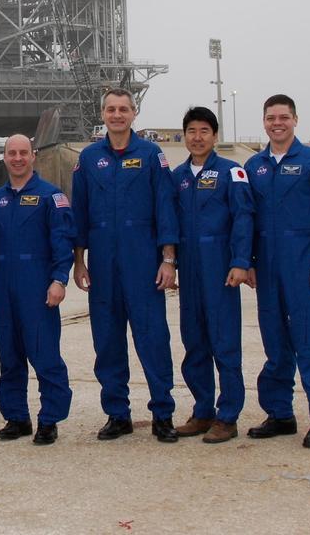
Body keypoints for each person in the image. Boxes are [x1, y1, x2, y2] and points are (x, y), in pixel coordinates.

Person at [71, 88, 181, 442]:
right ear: (102, 114)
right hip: (102, 264)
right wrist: (79, 261)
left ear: (134, 114)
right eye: (110, 109)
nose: (117, 115)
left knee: (152, 338)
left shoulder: (151, 155)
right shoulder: (88, 159)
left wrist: (168, 259)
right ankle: (117, 414)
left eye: (123, 109)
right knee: (107, 341)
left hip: (143, 262)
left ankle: (163, 412)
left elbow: (166, 208)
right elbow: (80, 215)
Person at [243, 94, 310, 449]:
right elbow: (248, 220)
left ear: (295, 120)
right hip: (268, 270)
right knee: (275, 343)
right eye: (271, 117)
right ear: (264, 121)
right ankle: (280, 414)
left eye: (284, 117)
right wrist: (250, 263)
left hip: (305, 269)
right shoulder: (254, 166)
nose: (277, 123)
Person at [0, 134, 75, 446]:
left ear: (33, 156)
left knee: (44, 353)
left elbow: (63, 242)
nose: (17, 158)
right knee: (9, 355)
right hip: (6, 286)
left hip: (38, 285)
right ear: (5, 157)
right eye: (12, 153)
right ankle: (17, 417)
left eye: (23, 153)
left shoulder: (52, 196)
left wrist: (59, 280)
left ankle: (49, 419)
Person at [171, 106, 255, 443]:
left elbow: (244, 218)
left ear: (215, 136)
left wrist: (240, 261)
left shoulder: (231, 173)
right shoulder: (177, 177)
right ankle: (203, 410)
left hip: (220, 268)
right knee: (194, 343)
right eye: (191, 131)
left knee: (224, 342)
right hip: (188, 269)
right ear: (185, 136)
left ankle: (229, 415)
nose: (197, 137)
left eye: (204, 131)